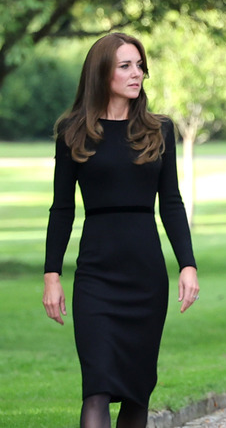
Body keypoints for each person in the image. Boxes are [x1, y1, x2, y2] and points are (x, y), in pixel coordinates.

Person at [42, 32, 199, 428]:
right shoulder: (73, 131)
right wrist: (52, 275)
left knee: (136, 389)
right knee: (95, 386)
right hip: (96, 273)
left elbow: (172, 203)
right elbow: (61, 209)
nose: (138, 74)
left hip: (145, 275)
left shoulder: (158, 129)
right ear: (101, 72)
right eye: (126, 65)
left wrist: (188, 265)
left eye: (140, 65)